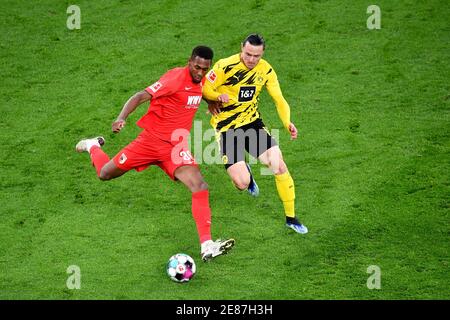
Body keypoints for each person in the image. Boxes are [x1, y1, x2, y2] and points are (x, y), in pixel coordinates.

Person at [75, 46, 235, 261]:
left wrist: (211, 101)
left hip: (175, 148)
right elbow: (141, 96)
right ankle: (93, 145)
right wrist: (121, 118)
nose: (200, 72)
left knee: (200, 186)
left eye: (204, 69)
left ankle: (207, 245)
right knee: (105, 174)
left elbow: (198, 91)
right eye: (196, 67)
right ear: (189, 62)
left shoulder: (200, 81)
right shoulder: (174, 79)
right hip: (149, 143)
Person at [202, 34, 308, 234]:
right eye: (248, 54)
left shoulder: (265, 70)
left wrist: (287, 122)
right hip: (226, 128)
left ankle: (291, 218)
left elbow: (279, 99)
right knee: (241, 184)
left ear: (262, 54)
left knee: (278, 165)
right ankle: (247, 176)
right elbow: (204, 87)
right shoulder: (225, 66)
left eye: (256, 56)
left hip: (252, 124)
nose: (251, 60)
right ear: (241, 48)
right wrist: (216, 97)